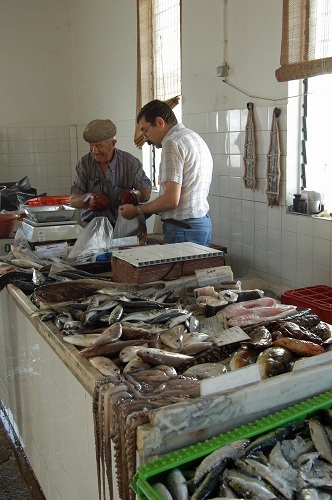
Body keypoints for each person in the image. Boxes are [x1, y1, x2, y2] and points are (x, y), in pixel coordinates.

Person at [119, 100, 213, 246]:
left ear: (159, 122)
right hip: (200, 225)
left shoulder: (172, 143)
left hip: (182, 229)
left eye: (145, 131)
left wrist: (138, 211)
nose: (145, 138)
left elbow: (170, 200)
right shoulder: (193, 137)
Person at [70, 119, 152, 227]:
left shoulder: (130, 163)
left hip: (124, 227)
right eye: (91, 145)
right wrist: (87, 200)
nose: (94, 151)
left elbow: (146, 193)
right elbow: (73, 200)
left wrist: (136, 195)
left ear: (113, 144)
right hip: (92, 228)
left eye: (99, 146)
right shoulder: (84, 164)